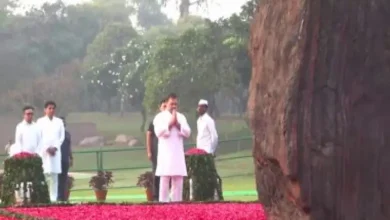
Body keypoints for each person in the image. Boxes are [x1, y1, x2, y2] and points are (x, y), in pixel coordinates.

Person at [153, 93, 191, 202]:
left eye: (175, 104)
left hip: (177, 152)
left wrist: (178, 125)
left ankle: (177, 202)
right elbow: (158, 132)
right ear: (166, 103)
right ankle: (163, 202)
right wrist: (170, 124)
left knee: (178, 178)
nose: (174, 106)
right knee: (165, 178)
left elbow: (188, 132)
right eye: (171, 103)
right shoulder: (160, 117)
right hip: (165, 152)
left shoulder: (181, 117)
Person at [36, 101, 65, 202]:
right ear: (45, 110)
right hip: (44, 152)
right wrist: (46, 148)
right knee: (44, 175)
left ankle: (53, 198)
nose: (51, 110)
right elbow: (38, 138)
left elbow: (61, 137)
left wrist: (55, 148)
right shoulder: (40, 122)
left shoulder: (59, 122)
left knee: (54, 176)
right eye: (49, 108)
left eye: (53, 108)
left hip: (55, 153)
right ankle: (44, 198)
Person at [146, 98, 167, 201]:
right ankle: (156, 195)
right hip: (157, 151)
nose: (165, 108)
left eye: (166, 106)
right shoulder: (155, 120)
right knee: (157, 172)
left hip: (168, 152)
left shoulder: (171, 119)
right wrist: (149, 151)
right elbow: (149, 135)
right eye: (163, 106)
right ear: (160, 107)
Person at [57, 116, 73, 202]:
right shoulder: (55, 134)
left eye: (64, 122)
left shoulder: (67, 134)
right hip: (56, 160)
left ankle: (64, 198)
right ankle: (58, 198)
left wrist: (71, 157)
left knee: (64, 179)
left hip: (65, 159)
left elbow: (69, 147)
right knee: (57, 179)